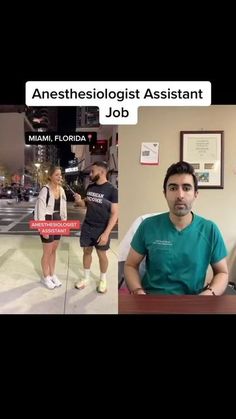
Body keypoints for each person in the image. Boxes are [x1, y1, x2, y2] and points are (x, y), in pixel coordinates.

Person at [124, 161, 228, 295]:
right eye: (173, 188)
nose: (180, 195)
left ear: (196, 193)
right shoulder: (148, 225)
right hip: (150, 301)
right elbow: (130, 265)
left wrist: (208, 294)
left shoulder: (209, 230)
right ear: (165, 193)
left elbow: (222, 272)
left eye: (186, 188)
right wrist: (138, 291)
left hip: (193, 303)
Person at [74, 161, 118, 293]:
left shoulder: (112, 191)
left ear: (102, 172)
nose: (91, 174)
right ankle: (86, 278)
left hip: (102, 227)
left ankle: (103, 280)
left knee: (101, 255)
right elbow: (85, 204)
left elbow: (115, 214)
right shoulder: (90, 187)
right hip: (88, 225)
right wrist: (79, 200)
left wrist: (106, 233)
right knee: (86, 251)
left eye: (93, 171)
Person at [34, 165, 67, 289]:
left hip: (58, 220)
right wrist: (42, 228)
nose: (59, 177)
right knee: (47, 252)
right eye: (57, 175)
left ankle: (53, 274)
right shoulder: (45, 190)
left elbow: (63, 209)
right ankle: (46, 277)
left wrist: (64, 222)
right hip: (47, 221)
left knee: (53, 250)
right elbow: (40, 210)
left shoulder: (61, 190)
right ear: (50, 176)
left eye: (60, 175)